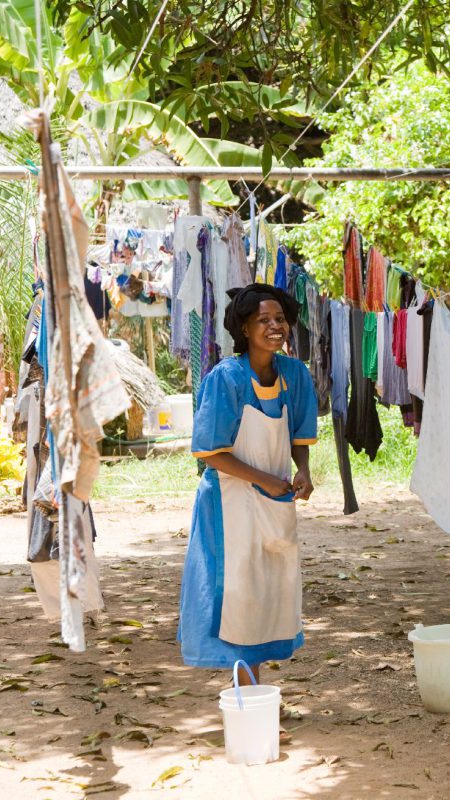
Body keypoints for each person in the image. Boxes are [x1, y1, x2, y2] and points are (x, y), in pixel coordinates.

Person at [178, 284, 317, 687]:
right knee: (238, 594)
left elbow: (299, 435)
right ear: (244, 329)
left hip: (273, 499)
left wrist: (303, 471)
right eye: (263, 320)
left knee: (270, 592)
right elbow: (209, 452)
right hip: (229, 502)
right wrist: (264, 480)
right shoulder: (227, 378)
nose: (275, 327)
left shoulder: (295, 374)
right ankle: (248, 698)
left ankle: (255, 698)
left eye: (280, 319)